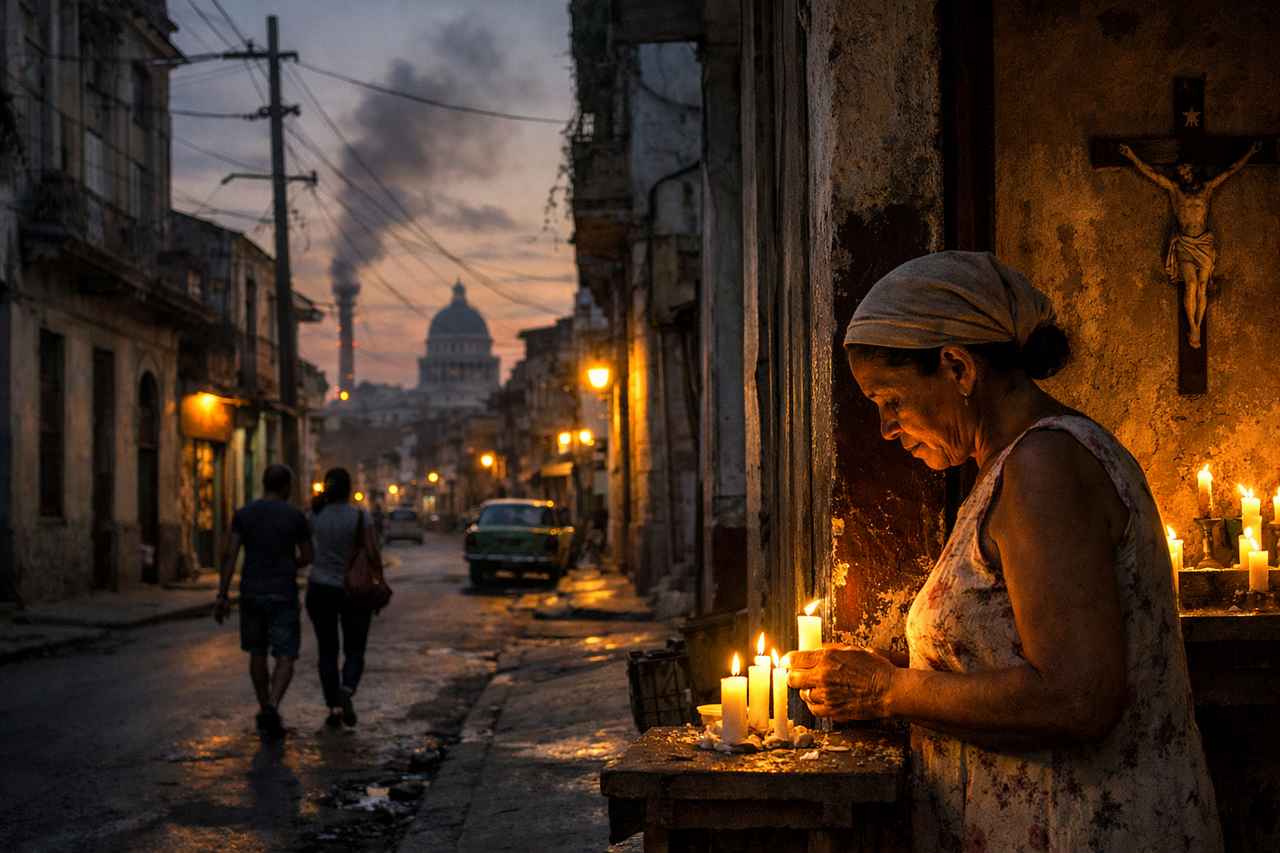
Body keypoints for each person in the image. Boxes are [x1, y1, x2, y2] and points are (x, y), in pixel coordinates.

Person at [788, 252, 1222, 851]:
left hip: (1083, 829)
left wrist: (889, 690)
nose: (887, 429)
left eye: (891, 400)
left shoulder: (1044, 467)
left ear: (958, 368)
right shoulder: (1006, 469)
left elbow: (1078, 696)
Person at [215, 464, 313, 738]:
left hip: (251, 592)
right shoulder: (295, 516)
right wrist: (288, 564)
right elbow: (307, 555)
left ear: (264, 484)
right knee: (285, 654)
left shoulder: (244, 515)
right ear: (285, 487)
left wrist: (222, 595)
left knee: (257, 652)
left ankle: (264, 707)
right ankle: (272, 704)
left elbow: (230, 555)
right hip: (283, 591)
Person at [307, 468, 381, 728]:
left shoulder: (315, 515)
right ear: (349, 489)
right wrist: (379, 581)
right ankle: (347, 689)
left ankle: (334, 708)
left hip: (320, 588)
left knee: (327, 651)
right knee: (355, 649)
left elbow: (306, 551)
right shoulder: (361, 517)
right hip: (355, 591)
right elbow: (372, 552)